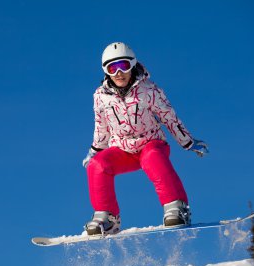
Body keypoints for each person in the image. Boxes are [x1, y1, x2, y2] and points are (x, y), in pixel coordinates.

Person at [82, 42, 209, 236]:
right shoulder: (101, 96)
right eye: (112, 68)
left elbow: (169, 117)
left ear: (132, 64)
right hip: (123, 150)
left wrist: (187, 142)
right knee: (97, 165)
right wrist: (95, 151)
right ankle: (107, 218)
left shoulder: (149, 90)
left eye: (123, 66)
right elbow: (101, 126)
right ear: (105, 71)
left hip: (151, 143)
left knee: (152, 157)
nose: (118, 73)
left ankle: (177, 207)